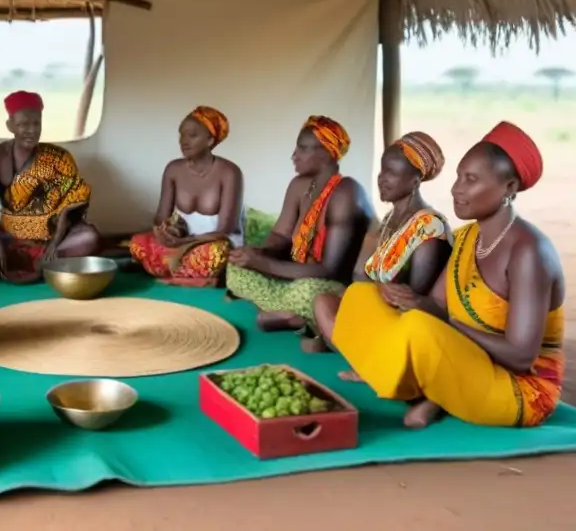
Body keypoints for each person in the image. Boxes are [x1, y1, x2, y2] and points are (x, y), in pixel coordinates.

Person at [322, 122, 565, 429]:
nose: (456, 189)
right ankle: (430, 391)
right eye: (458, 177)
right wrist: (409, 299)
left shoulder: (529, 252)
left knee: (418, 329)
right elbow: (435, 307)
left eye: (471, 179)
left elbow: (519, 357)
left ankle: (420, 389)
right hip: (467, 359)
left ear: (510, 188)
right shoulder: (466, 238)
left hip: (519, 388)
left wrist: (440, 320)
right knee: (362, 297)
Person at [225, 115, 373, 349]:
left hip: (330, 286)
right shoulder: (299, 185)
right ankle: (293, 317)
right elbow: (281, 235)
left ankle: (301, 318)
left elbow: (329, 270)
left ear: (326, 152)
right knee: (237, 271)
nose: (294, 155)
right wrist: (257, 254)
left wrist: (263, 264)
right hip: (292, 271)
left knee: (308, 293)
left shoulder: (346, 193)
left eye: (303, 148)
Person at [312, 132, 453, 351]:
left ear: (415, 181)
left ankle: (362, 356)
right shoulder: (390, 219)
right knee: (322, 302)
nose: (381, 178)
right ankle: (355, 350)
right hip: (372, 307)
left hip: (401, 321)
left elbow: (412, 302)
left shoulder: (430, 228)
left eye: (392, 173)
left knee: (335, 312)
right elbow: (361, 275)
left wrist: (372, 292)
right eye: (382, 170)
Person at [0, 90, 101, 284]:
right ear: (10, 125)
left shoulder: (59, 157)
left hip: (54, 236)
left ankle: (38, 262)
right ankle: (45, 266)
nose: (31, 130)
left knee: (89, 237)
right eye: (23, 124)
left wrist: (53, 244)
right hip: (10, 239)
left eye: (36, 123)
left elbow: (72, 209)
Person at [129, 106, 245, 287]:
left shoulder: (229, 172)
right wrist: (167, 231)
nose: (184, 141)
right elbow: (161, 217)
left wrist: (185, 242)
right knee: (138, 243)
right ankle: (190, 274)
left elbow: (226, 229)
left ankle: (176, 270)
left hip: (214, 242)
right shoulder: (173, 169)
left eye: (192, 135)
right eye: (181, 135)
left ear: (209, 140)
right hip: (181, 241)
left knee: (216, 254)